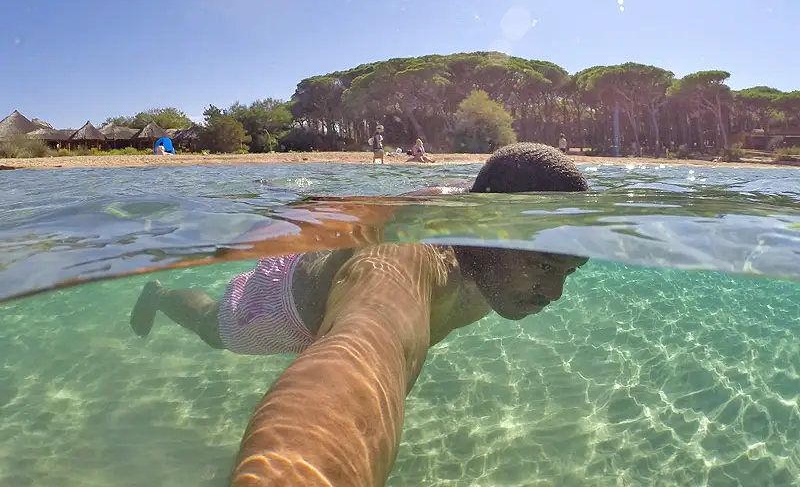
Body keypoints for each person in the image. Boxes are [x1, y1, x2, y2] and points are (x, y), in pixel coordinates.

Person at [130, 142, 589, 355]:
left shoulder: (485, 226)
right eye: (544, 265)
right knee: (214, 329)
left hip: (326, 255)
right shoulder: (410, 257)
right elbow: (353, 363)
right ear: (488, 232)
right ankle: (161, 295)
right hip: (282, 305)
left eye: (570, 270)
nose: (555, 293)